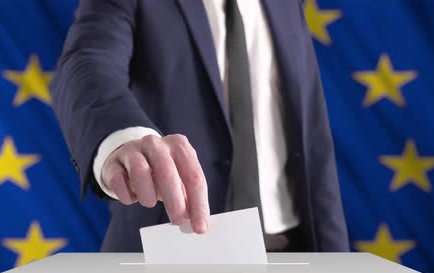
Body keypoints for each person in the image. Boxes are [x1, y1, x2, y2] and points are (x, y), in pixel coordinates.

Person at [51, 0, 349, 252]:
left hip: (293, 249)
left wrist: (336, 258)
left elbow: (311, 131)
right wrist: (122, 136)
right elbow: (88, 59)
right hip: (175, 252)